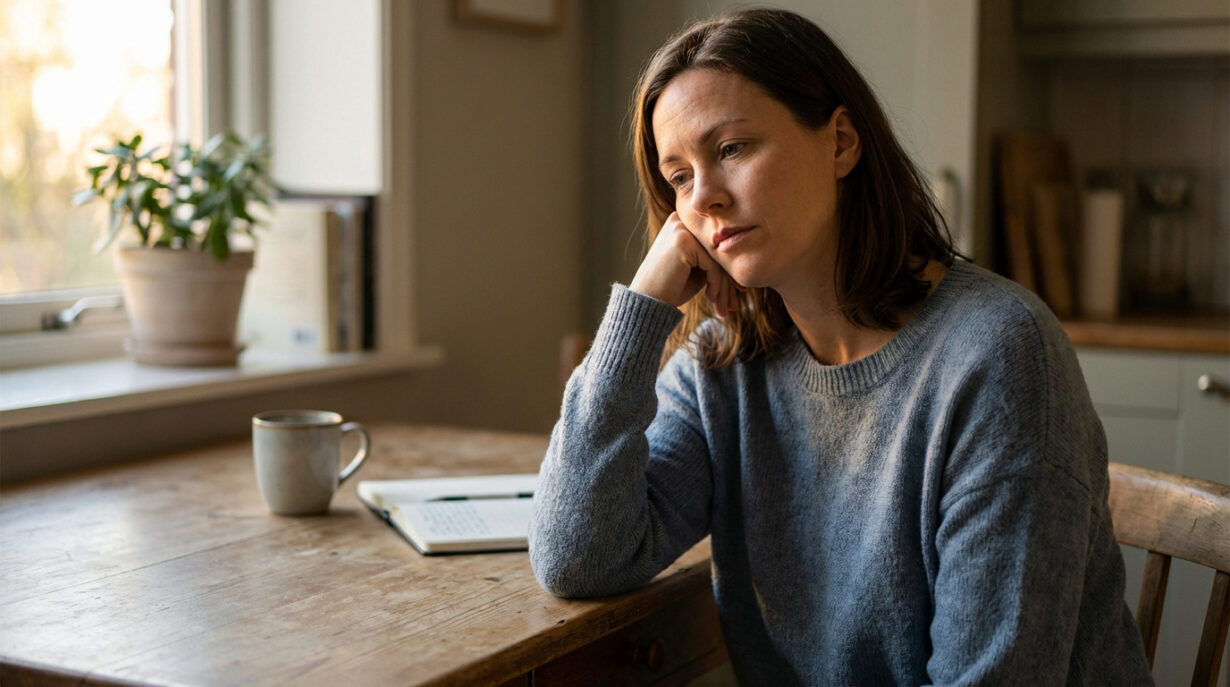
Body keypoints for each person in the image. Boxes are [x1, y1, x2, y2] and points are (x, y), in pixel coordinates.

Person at [528, 8, 1153, 686]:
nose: (703, 198)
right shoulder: (725, 364)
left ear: (842, 142)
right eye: (678, 176)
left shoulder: (998, 355)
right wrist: (641, 309)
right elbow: (577, 556)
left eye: (732, 149)